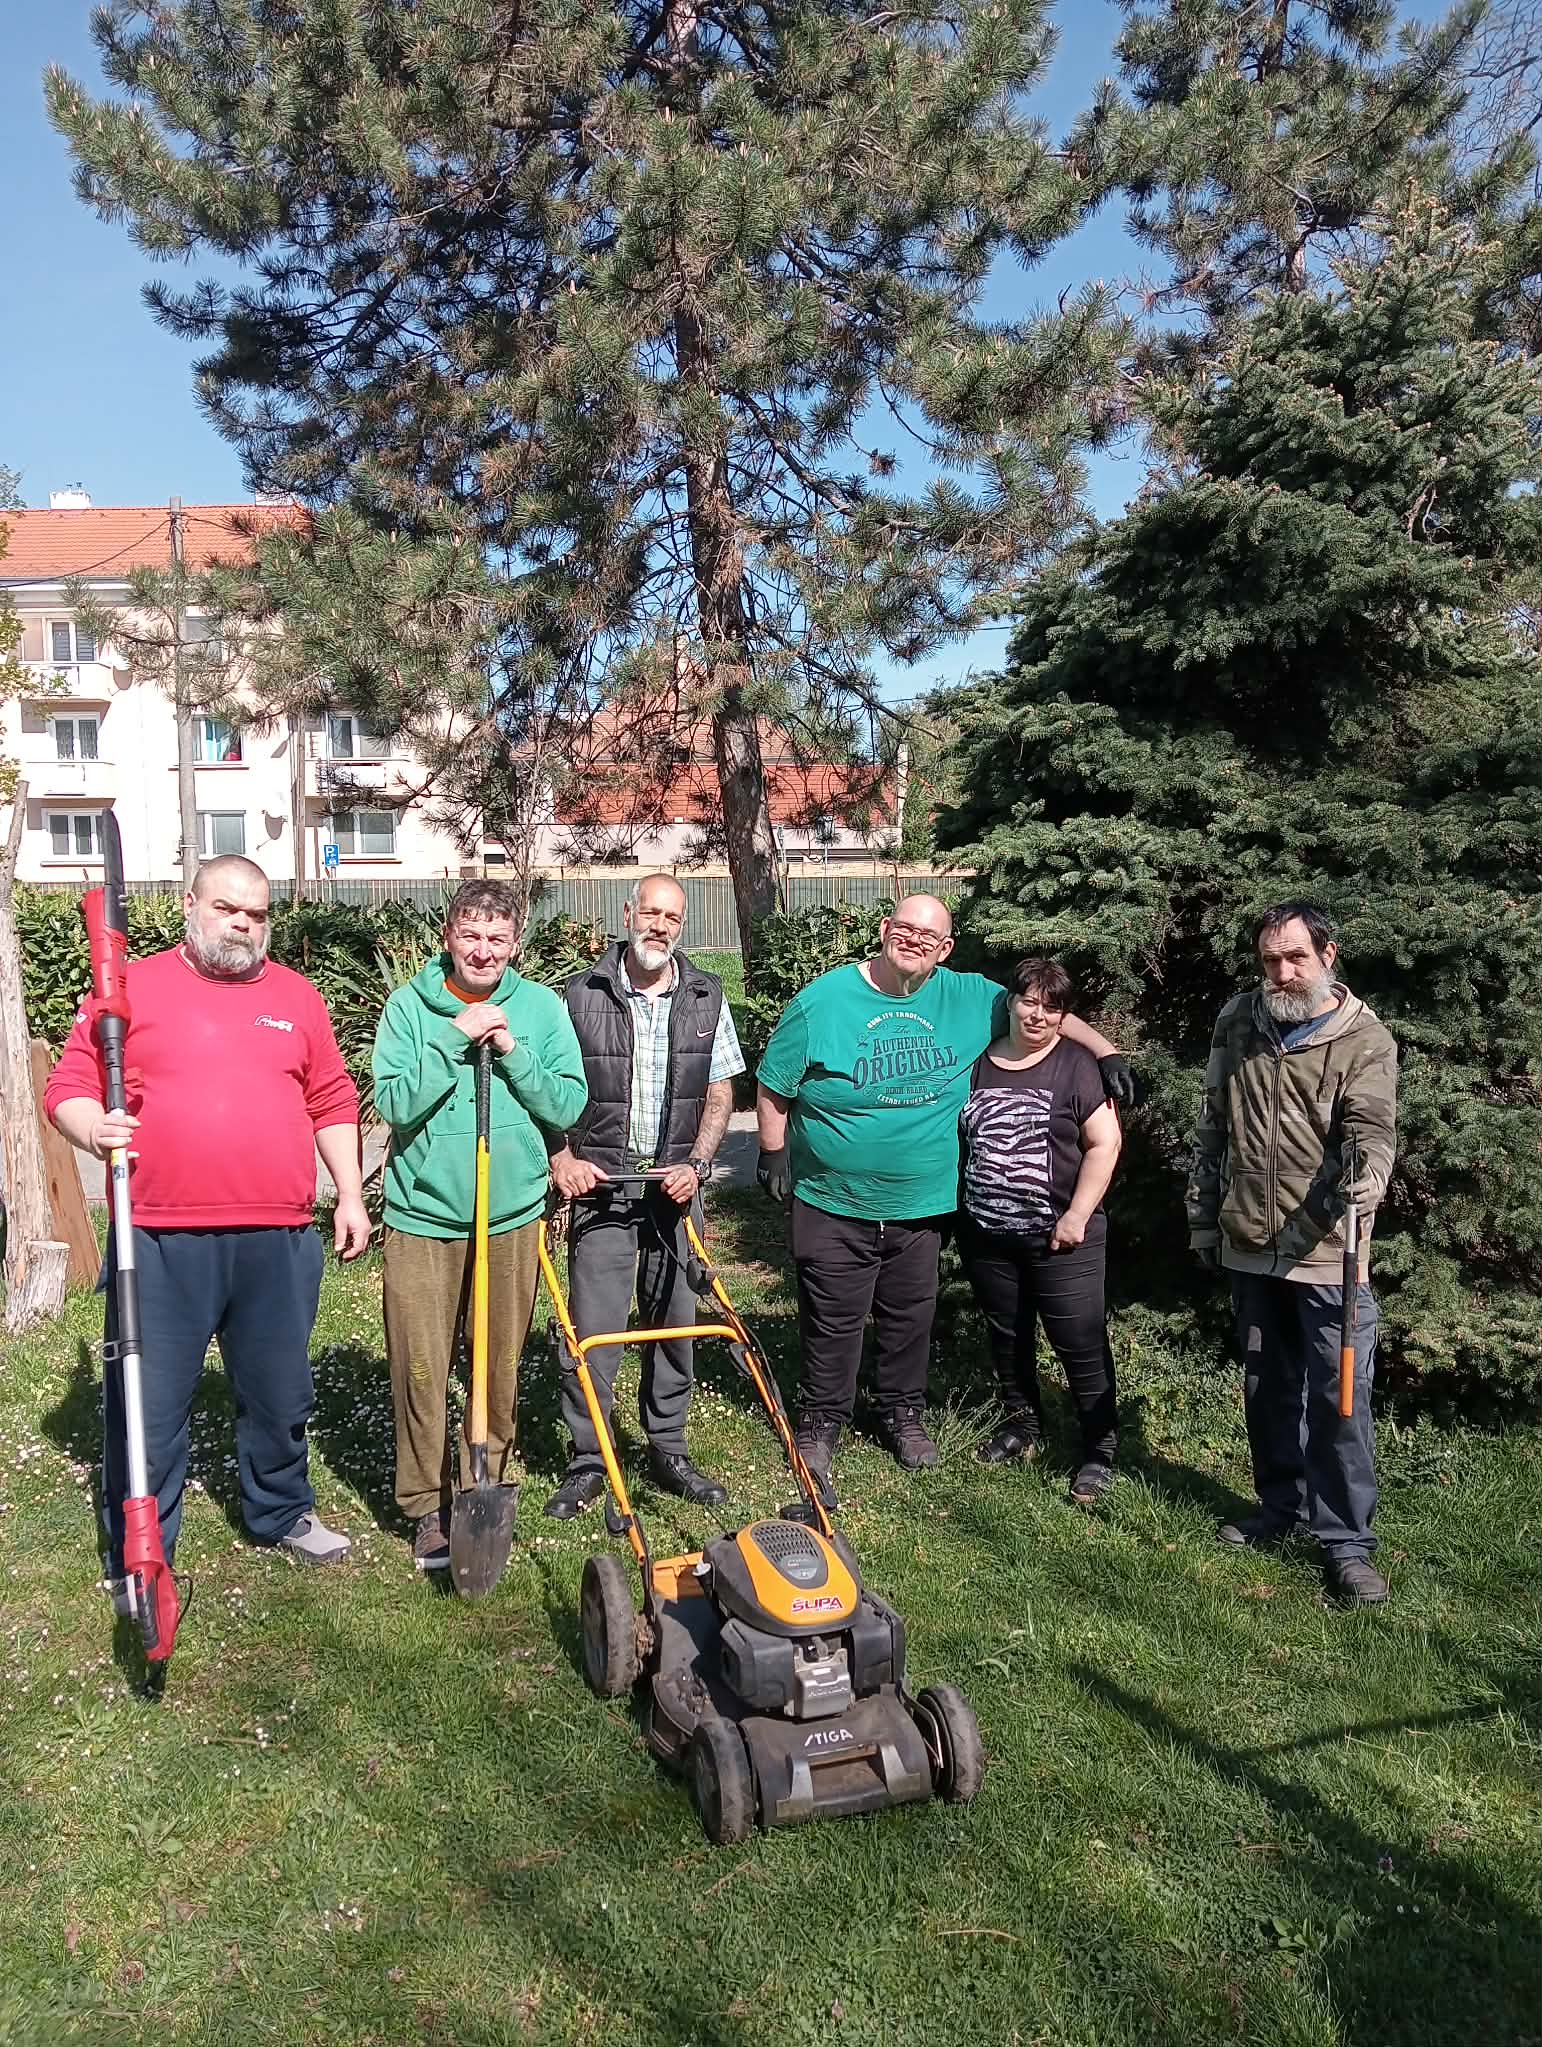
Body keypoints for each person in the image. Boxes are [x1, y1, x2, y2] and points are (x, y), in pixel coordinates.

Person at [46, 855, 371, 1591]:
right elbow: (68, 1084)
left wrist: (349, 1192)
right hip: (159, 1237)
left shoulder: (297, 996)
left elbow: (331, 1097)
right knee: (148, 1400)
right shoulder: (128, 989)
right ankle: (140, 1545)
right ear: (191, 904)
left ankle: (280, 1510)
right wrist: (96, 1129)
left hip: (278, 1237)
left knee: (281, 1392)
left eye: (256, 914)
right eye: (227, 908)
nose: (242, 924)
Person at [755, 894, 1135, 1491]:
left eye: (927, 936)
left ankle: (901, 1414)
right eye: (903, 929)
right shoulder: (822, 1001)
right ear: (884, 930)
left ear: (945, 949)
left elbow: (1043, 1009)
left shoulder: (968, 997)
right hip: (833, 1198)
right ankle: (821, 1422)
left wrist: (1106, 1051)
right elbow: (775, 1085)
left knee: (910, 1319)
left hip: (924, 1205)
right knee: (834, 1318)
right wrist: (773, 1153)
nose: (913, 941)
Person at [372, 880, 587, 1570]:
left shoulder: (543, 1008)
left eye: (497, 938)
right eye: (470, 935)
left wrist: (514, 1050)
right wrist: (453, 1040)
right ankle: (425, 1506)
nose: (483, 949)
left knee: (497, 1360)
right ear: (448, 937)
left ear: (515, 942)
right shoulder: (409, 1008)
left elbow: (568, 1101)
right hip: (424, 1213)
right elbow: (396, 1102)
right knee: (422, 1363)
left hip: (512, 1213)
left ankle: (485, 1481)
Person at [1187, 901, 1397, 1606]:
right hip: (1251, 1241)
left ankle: (1347, 1543)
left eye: (1296, 957)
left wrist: (1367, 1177)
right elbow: (1214, 1121)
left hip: (1329, 1248)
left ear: (1328, 954)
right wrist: (1204, 1221)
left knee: (1339, 1399)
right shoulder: (1238, 1020)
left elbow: (1372, 1130)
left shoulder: (1363, 1039)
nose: (1282, 971)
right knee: (1265, 1387)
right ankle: (1282, 1506)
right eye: (1271, 959)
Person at [543, 874, 745, 1519]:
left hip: (676, 1190)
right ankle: (588, 1458)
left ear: (682, 927)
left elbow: (719, 1094)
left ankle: (668, 1446)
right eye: (650, 912)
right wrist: (563, 1159)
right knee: (594, 1328)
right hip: (603, 1188)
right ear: (627, 913)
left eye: (672, 918)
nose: (659, 925)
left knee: (677, 1322)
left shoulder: (708, 997)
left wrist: (699, 1164)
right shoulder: (578, 996)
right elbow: (546, 1092)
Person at [958, 957, 1124, 1505]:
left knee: (1078, 1342)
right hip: (987, 1235)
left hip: (1062, 1239)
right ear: (1010, 1002)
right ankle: (1022, 1425)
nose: (1038, 1014)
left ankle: (1099, 1449)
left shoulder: (1075, 1065)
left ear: (1064, 1016)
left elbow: (1105, 1143)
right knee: (1007, 1337)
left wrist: (1076, 1215)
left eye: (1052, 1007)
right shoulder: (977, 1062)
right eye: (1029, 1001)